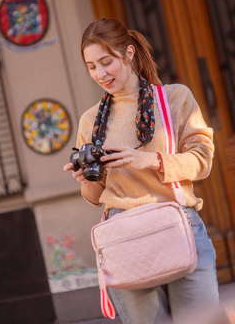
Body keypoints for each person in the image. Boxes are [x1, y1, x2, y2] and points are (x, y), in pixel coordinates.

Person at [63, 18, 219, 324]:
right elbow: (95, 197)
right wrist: (86, 180)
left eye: (107, 62)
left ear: (130, 53)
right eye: (92, 66)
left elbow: (202, 161)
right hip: (123, 235)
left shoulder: (176, 98)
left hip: (179, 222)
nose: (101, 74)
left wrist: (151, 160)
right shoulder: (89, 121)